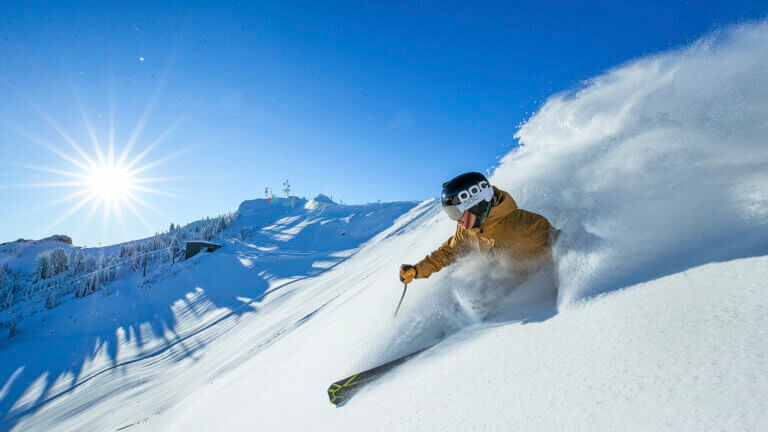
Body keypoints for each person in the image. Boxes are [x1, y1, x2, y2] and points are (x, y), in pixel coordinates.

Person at [399, 172, 558, 288]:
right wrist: (418, 269)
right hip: (497, 289)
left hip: (529, 296)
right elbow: (449, 251)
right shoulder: (468, 229)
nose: (456, 220)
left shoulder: (527, 226)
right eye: (451, 214)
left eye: (456, 213)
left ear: (477, 205)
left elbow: (564, 248)